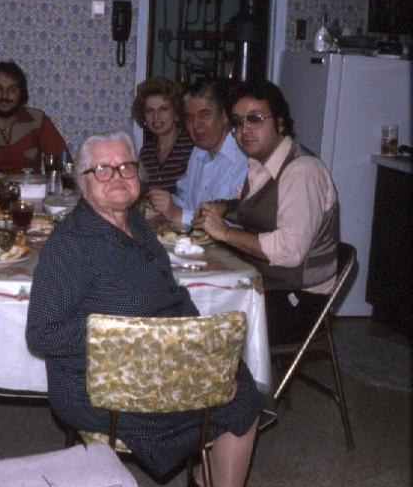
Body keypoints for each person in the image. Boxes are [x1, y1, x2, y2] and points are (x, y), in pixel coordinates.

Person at [26, 131, 263, 486]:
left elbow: (174, 295)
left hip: (161, 362)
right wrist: (130, 336)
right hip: (103, 386)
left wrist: (201, 353)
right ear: (82, 182)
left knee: (239, 384)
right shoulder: (69, 245)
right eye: (103, 170)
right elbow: (42, 334)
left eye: (126, 167)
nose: (118, 177)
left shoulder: (137, 223)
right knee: (233, 396)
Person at [194, 80, 339, 346]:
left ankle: (237, 386)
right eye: (238, 122)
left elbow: (290, 249)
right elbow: (261, 211)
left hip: (298, 303)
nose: (244, 130)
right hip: (269, 286)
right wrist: (225, 207)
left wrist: (225, 233)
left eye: (255, 119)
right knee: (188, 296)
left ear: (280, 122)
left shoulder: (301, 172)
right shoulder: (262, 165)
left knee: (200, 322)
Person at [147, 78, 248, 228]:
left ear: (225, 116)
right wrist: (162, 202)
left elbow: (236, 224)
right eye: (189, 117)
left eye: (205, 115)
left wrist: (177, 214)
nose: (196, 125)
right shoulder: (198, 152)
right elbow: (185, 200)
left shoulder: (244, 159)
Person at [131, 76, 194, 193]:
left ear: (176, 113)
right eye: (150, 110)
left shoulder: (192, 148)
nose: (156, 117)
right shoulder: (145, 153)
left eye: (163, 109)